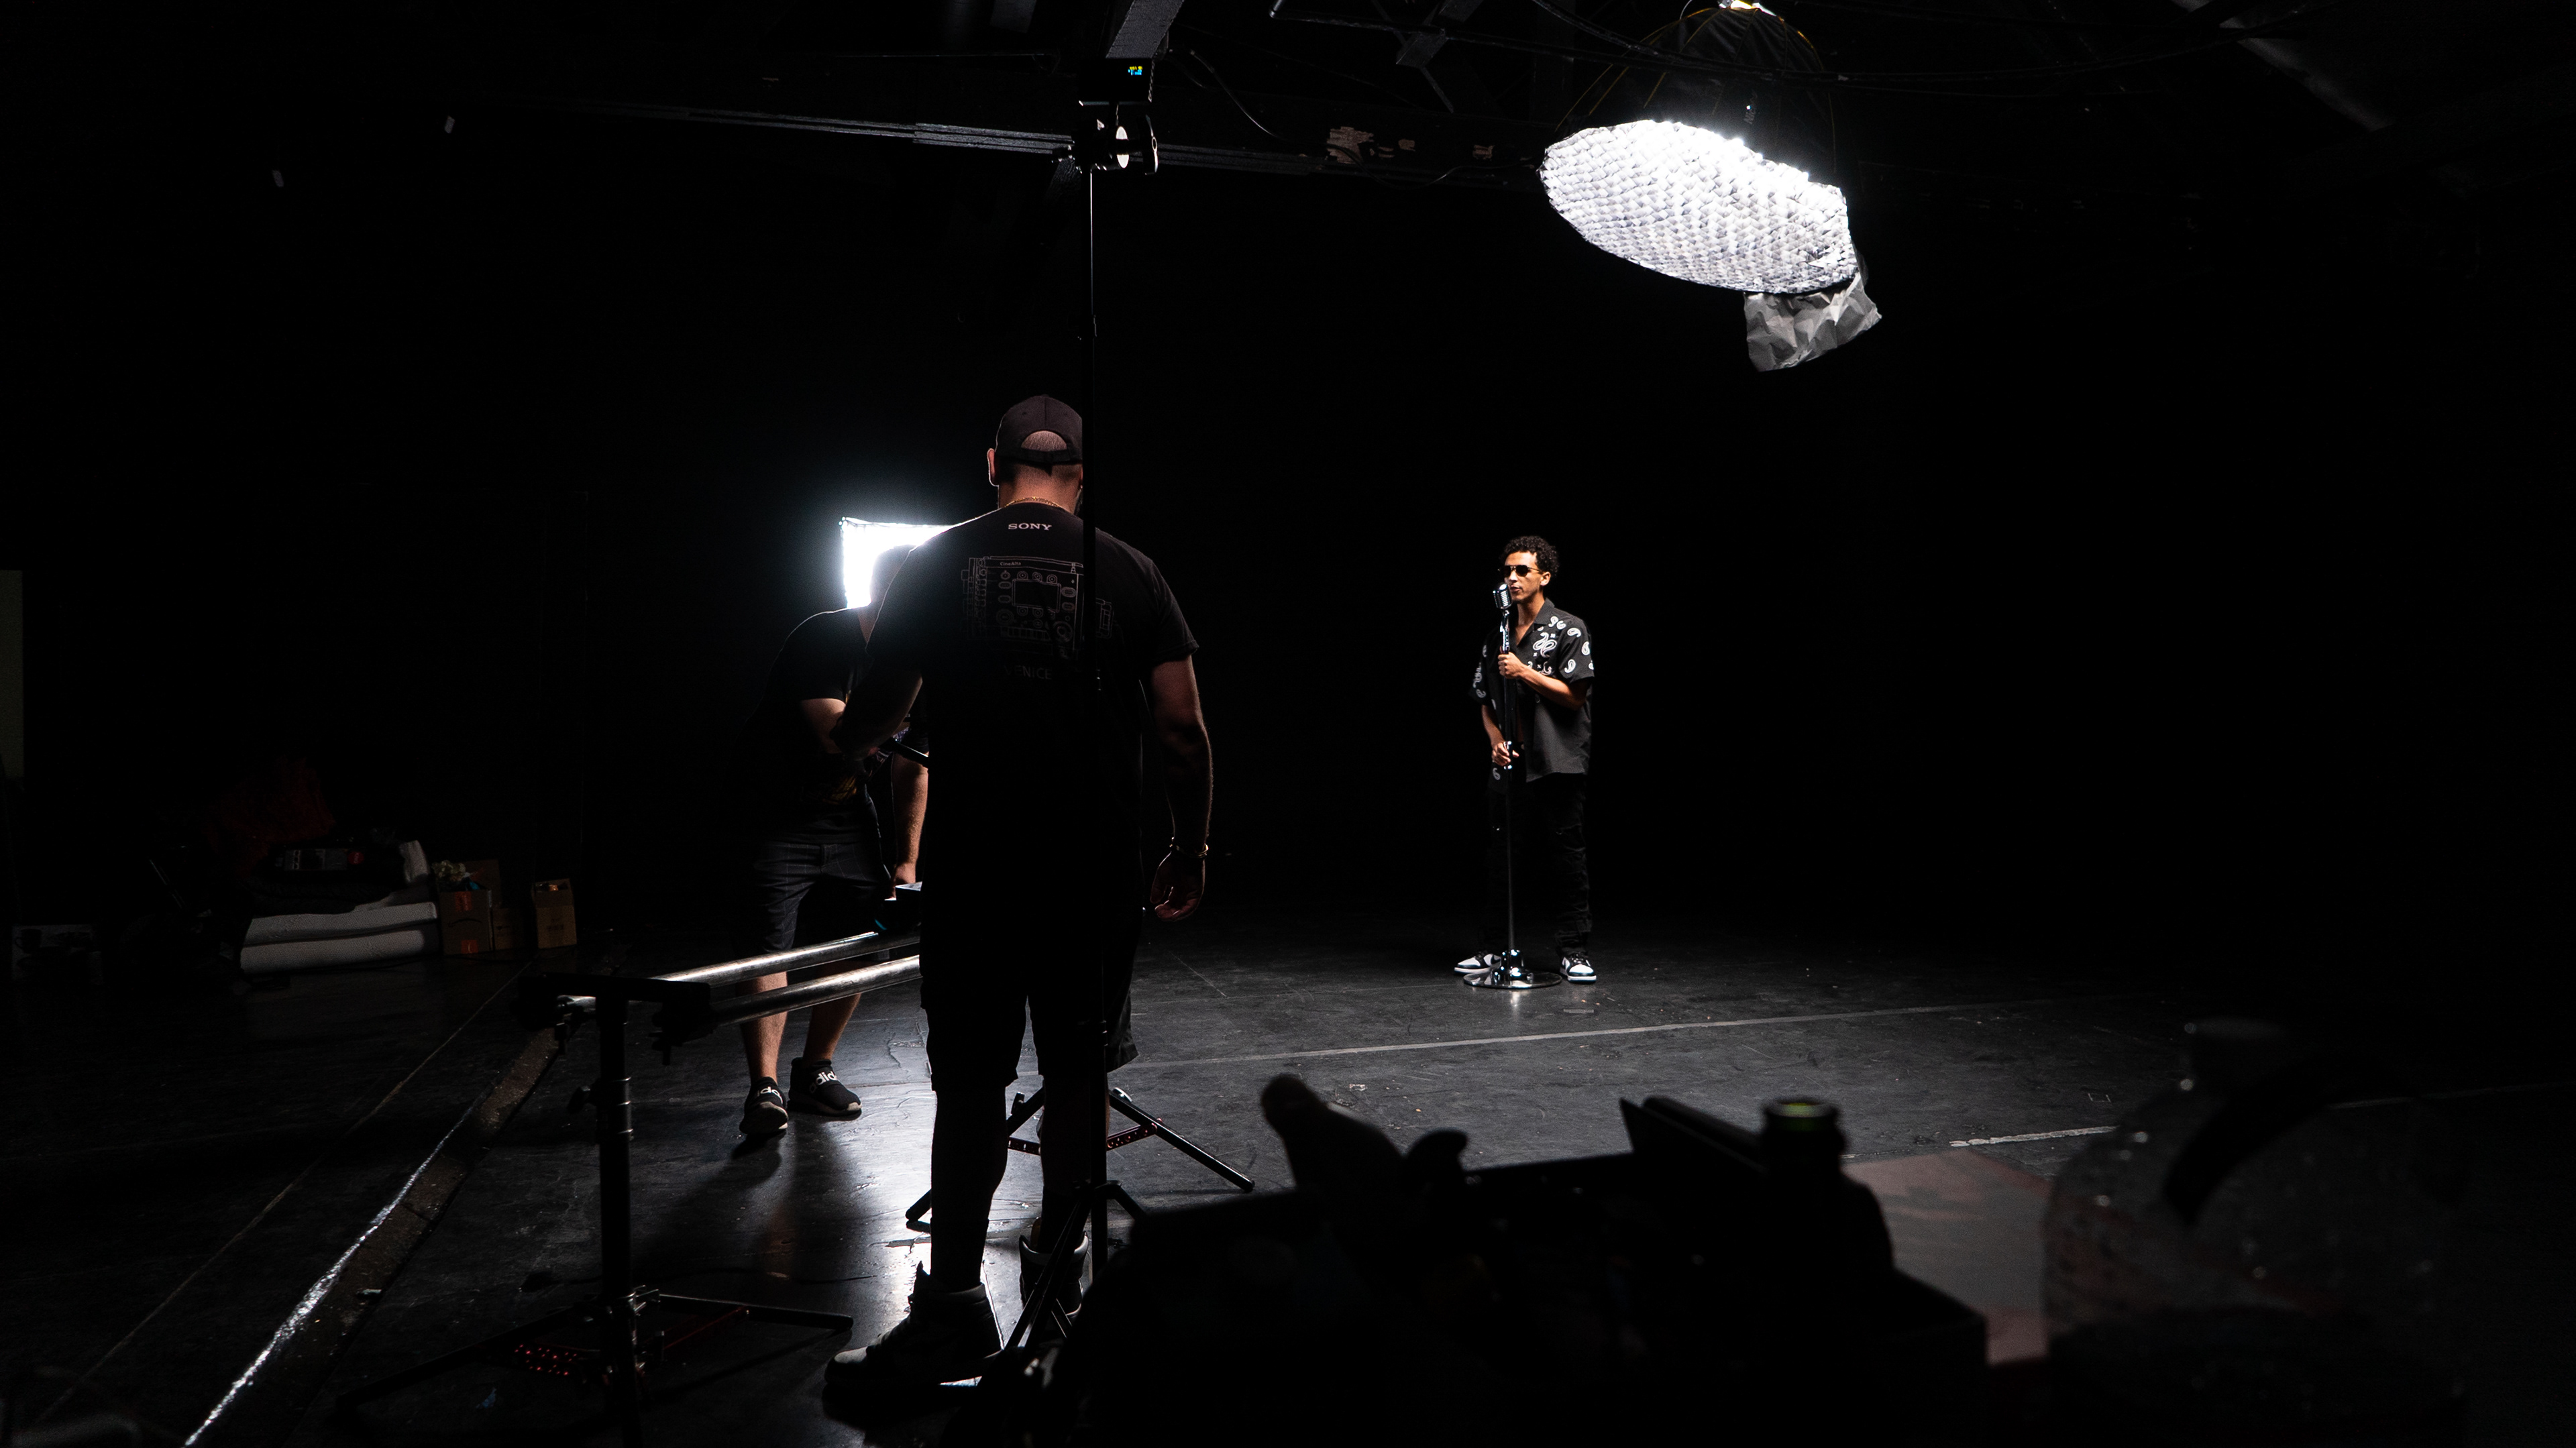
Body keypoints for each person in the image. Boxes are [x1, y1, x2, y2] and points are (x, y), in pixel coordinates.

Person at [823, 395, 1213, 1390]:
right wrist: (1189, 846)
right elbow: (1181, 730)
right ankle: (1061, 1282)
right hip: (1092, 868)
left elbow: (876, 711)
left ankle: (954, 1306)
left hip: (979, 869)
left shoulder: (935, 561)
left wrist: (847, 748)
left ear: (992, 464)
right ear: (1082, 473)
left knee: (969, 1083)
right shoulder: (1132, 569)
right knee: (1078, 1078)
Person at [720, 547, 928, 1137]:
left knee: (862, 936)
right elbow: (840, 736)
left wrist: (907, 859)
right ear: (885, 592)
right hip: (773, 810)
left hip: (844, 812)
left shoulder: (919, 658)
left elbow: (914, 762)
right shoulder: (825, 638)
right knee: (770, 947)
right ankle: (764, 1088)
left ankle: (814, 1070)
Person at [1458, 536, 1597, 983]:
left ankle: (1574, 951)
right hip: (1510, 761)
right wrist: (1495, 738)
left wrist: (1525, 672)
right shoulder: (1497, 635)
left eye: (1522, 570)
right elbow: (1485, 700)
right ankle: (1493, 947)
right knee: (1502, 856)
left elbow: (1575, 696)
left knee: (1566, 855)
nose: (1512, 578)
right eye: (1507, 571)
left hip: (1556, 761)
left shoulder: (1569, 628)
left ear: (1545, 577)